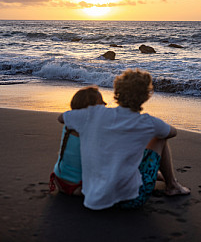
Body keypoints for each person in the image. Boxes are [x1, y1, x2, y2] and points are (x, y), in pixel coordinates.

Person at [58, 69, 190, 210]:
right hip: (131, 199)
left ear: (117, 92)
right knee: (159, 138)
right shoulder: (148, 122)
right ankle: (172, 185)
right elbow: (172, 132)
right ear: (146, 95)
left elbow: (62, 118)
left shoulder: (95, 113)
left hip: (93, 196)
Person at [49, 86, 106, 196]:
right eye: (101, 102)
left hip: (59, 180)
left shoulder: (69, 123)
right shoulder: (92, 129)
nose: (105, 104)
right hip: (80, 185)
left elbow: (61, 117)